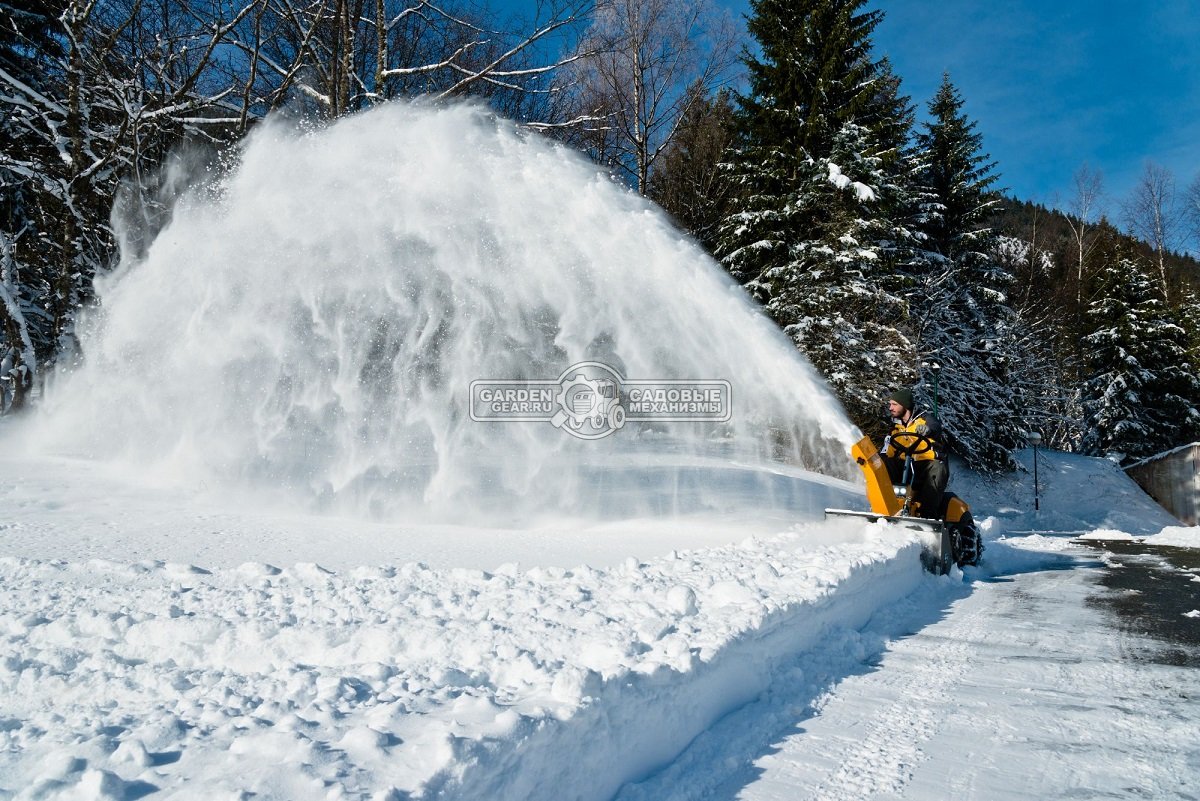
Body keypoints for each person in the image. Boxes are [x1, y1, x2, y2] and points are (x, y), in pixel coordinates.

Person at [882, 388, 949, 520]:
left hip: (924, 466)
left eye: (894, 404)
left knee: (938, 467)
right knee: (883, 463)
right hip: (904, 467)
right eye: (890, 404)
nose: (890, 408)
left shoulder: (925, 419)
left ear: (905, 405)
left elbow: (935, 427)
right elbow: (886, 450)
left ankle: (928, 514)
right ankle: (883, 506)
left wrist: (927, 430)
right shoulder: (895, 428)